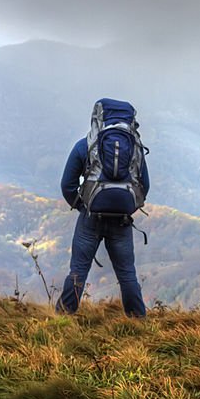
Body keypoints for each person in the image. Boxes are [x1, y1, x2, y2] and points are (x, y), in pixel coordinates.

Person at [55, 131, 150, 317]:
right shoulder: (134, 147)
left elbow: (67, 185)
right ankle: (138, 321)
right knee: (127, 274)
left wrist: (83, 206)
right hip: (121, 221)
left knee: (78, 269)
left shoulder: (85, 145)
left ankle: (63, 318)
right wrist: (126, 208)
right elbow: (144, 186)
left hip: (91, 218)